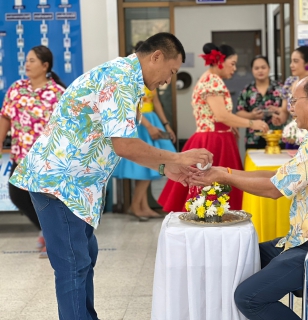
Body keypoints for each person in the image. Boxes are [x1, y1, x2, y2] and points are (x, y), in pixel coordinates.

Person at [9, 32, 213, 320]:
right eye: (171, 71)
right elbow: (125, 145)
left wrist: (166, 167)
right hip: (58, 183)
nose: (168, 80)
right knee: (72, 265)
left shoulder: (126, 77)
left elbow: (114, 142)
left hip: (77, 185)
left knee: (84, 258)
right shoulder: (119, 79)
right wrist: (178, 157)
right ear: (156, 56)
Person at [190, 73, 308, 320]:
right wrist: (223, 172)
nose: (291, 108)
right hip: (305, 241)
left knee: (248, 297)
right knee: (242, 258)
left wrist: (225, 178)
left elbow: (273, 190)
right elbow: (279, 175)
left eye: (294, 101)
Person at [158, 43, 268, 212]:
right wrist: (253, 123)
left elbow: (218, 116)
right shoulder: (212, 81)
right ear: (219, 62)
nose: (234, 68)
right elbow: (221, 115)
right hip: (214, 141)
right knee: (213, 189)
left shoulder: (209, 79)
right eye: (232, 63)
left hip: (215, 136)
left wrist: (230, 125)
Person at [0, 45, 66, 258]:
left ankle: (53, 238)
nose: (26, 64)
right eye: (26, 60)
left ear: (45, 65)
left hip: (48, 159)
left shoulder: (58, 93)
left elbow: (65, 127)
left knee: (47, 200)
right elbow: (5, 118)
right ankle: (48, 230)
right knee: (18, 196)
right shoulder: (16, 88)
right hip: (21, 157)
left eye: (32, 61)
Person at [113, 41, 177, 221]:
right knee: (144, 165)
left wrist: (166, 124)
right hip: (141, 122)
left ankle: (142, 205)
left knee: (154, 165)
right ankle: (137, 205)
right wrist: (149, 126)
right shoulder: (132, 78)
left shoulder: (150, 78)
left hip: (152, 120)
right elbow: (133, 106)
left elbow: (156, 102)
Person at [274, 46, 308, 148]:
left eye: (295, 61)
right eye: (291, 61)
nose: (291, 65)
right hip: (292, 137)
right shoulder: (289, 82)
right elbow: (284, 111)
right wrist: (280, 119)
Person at [236, 55, 288, 149]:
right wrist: (252, 115)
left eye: (263, 67)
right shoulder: (247, 90)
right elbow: (239, 112)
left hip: (277, 137)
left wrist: (280, 118)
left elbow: (286, 112)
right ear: (252, 70)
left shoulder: (281, 88)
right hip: (253, 138)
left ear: (269, 68)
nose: (260, 70)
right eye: (256, 68)